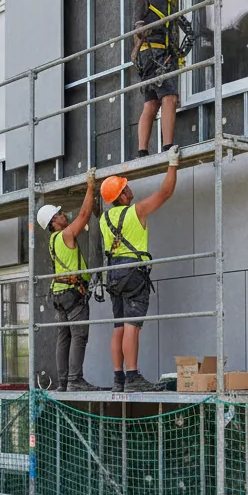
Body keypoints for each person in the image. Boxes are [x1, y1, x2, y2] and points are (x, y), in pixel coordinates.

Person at [99, 147, 180, 392]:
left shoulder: (104, 219)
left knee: (119, 327)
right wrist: (173, 164)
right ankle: (133, 377)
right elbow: (165, 193)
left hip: (113, 273)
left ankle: (119, 379)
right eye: (126, 187)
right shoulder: (136, 211)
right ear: (122, 195)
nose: (129, 188)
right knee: (132, 327)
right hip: (133, 273)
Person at [132, 0, 210, 158]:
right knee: (169, 97)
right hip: (156, 52)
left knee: (150, 103)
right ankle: (167, 147)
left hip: (145, 55)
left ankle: (142, 151)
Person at [36, 167, 99, 393]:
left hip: (59, 294)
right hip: (72, 293)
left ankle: (64, 382)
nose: (64, 215)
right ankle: (75, 380)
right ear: (54, 221)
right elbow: (84, 215)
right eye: (60, 214)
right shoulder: (65, 234)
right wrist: (90, 187)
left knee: (64, 337)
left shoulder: (53, 240)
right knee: (79, 336)